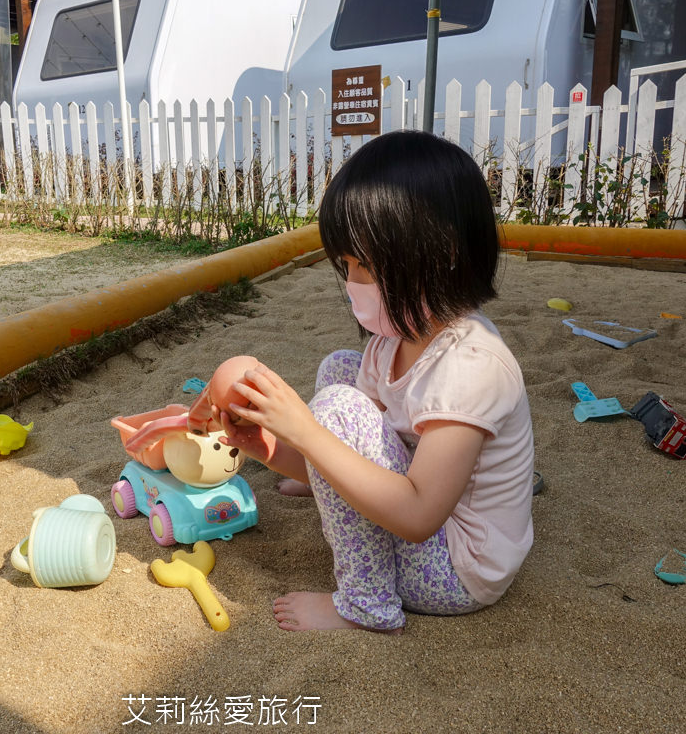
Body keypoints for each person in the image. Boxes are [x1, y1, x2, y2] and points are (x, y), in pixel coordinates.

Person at [217, 130, 535, 633]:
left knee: (336, 410)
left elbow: (417, 517)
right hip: (419, 509)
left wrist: (304, 428)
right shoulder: (395, 339)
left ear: (442, 251)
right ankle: (321, 489)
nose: (350, 283)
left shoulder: (472, 368)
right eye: (346, 265)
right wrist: (265, 446)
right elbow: (333, 452)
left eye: (363, 264)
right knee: (339, 372)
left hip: (458, 568)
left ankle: (366, 605)